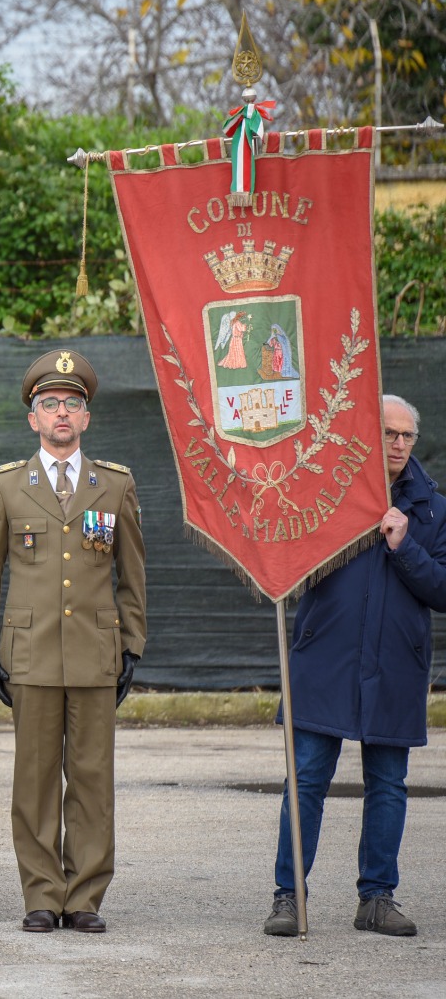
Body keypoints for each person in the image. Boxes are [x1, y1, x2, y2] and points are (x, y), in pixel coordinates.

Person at [0, 349, 146, 934]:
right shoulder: (6, 487)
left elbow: (132, 574)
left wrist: (133, 646)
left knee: (93, 780)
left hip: (97, 652)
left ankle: (86, 897)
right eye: (50, 404)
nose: (62, 412)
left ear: (86, 418)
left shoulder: (115, 487)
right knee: (36, 781)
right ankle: (42, 894)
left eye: (73, 403)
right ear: (33, 418)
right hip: (32, 653)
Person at [262, 394, 446, 939]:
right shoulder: (322, 489)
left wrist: (404, 544)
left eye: (406, 436)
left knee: (388, 784)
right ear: (367, 434)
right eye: (388, 433)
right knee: (306, 782)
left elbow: (442, 589)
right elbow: (287, 562)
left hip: (396, 668)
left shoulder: (433, 509)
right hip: (325, 660)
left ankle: (377, 899)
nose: (397, 444)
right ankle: (288, 897)